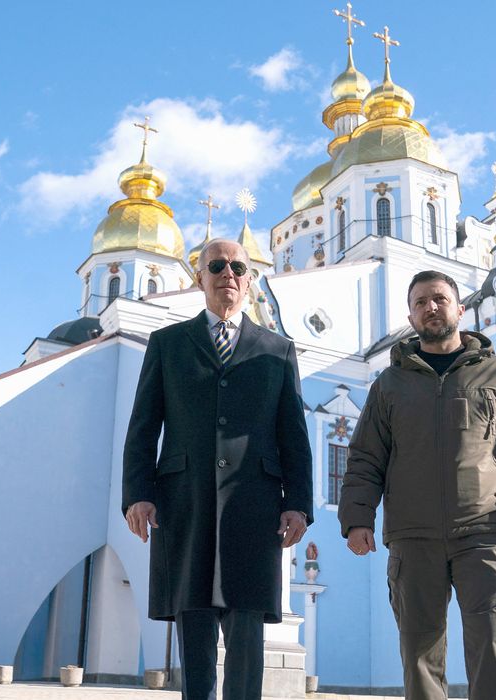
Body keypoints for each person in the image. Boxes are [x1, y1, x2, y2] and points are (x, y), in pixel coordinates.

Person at [338, 270, 496, 700]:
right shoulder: (389, 385)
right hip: (412, 536)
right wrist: (356, 517)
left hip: (483, 533)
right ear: (411, 316)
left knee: (493, 645)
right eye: (420, 302)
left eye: (439, 299)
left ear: (460, 309)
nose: (430, 307)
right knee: (419, 653)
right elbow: (366, 456)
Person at [122, 239, 313, 700]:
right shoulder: (168, 344)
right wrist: (137, 494)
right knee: (194, 622)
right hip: (184, 500)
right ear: (200, 278)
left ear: (249, 281)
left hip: (254, 505)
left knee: (247, 626)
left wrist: (299, 504)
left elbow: (293, 434)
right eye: (217, 265)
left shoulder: (278, 349)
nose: (228, 273)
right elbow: (144, 425)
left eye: (238, 267)